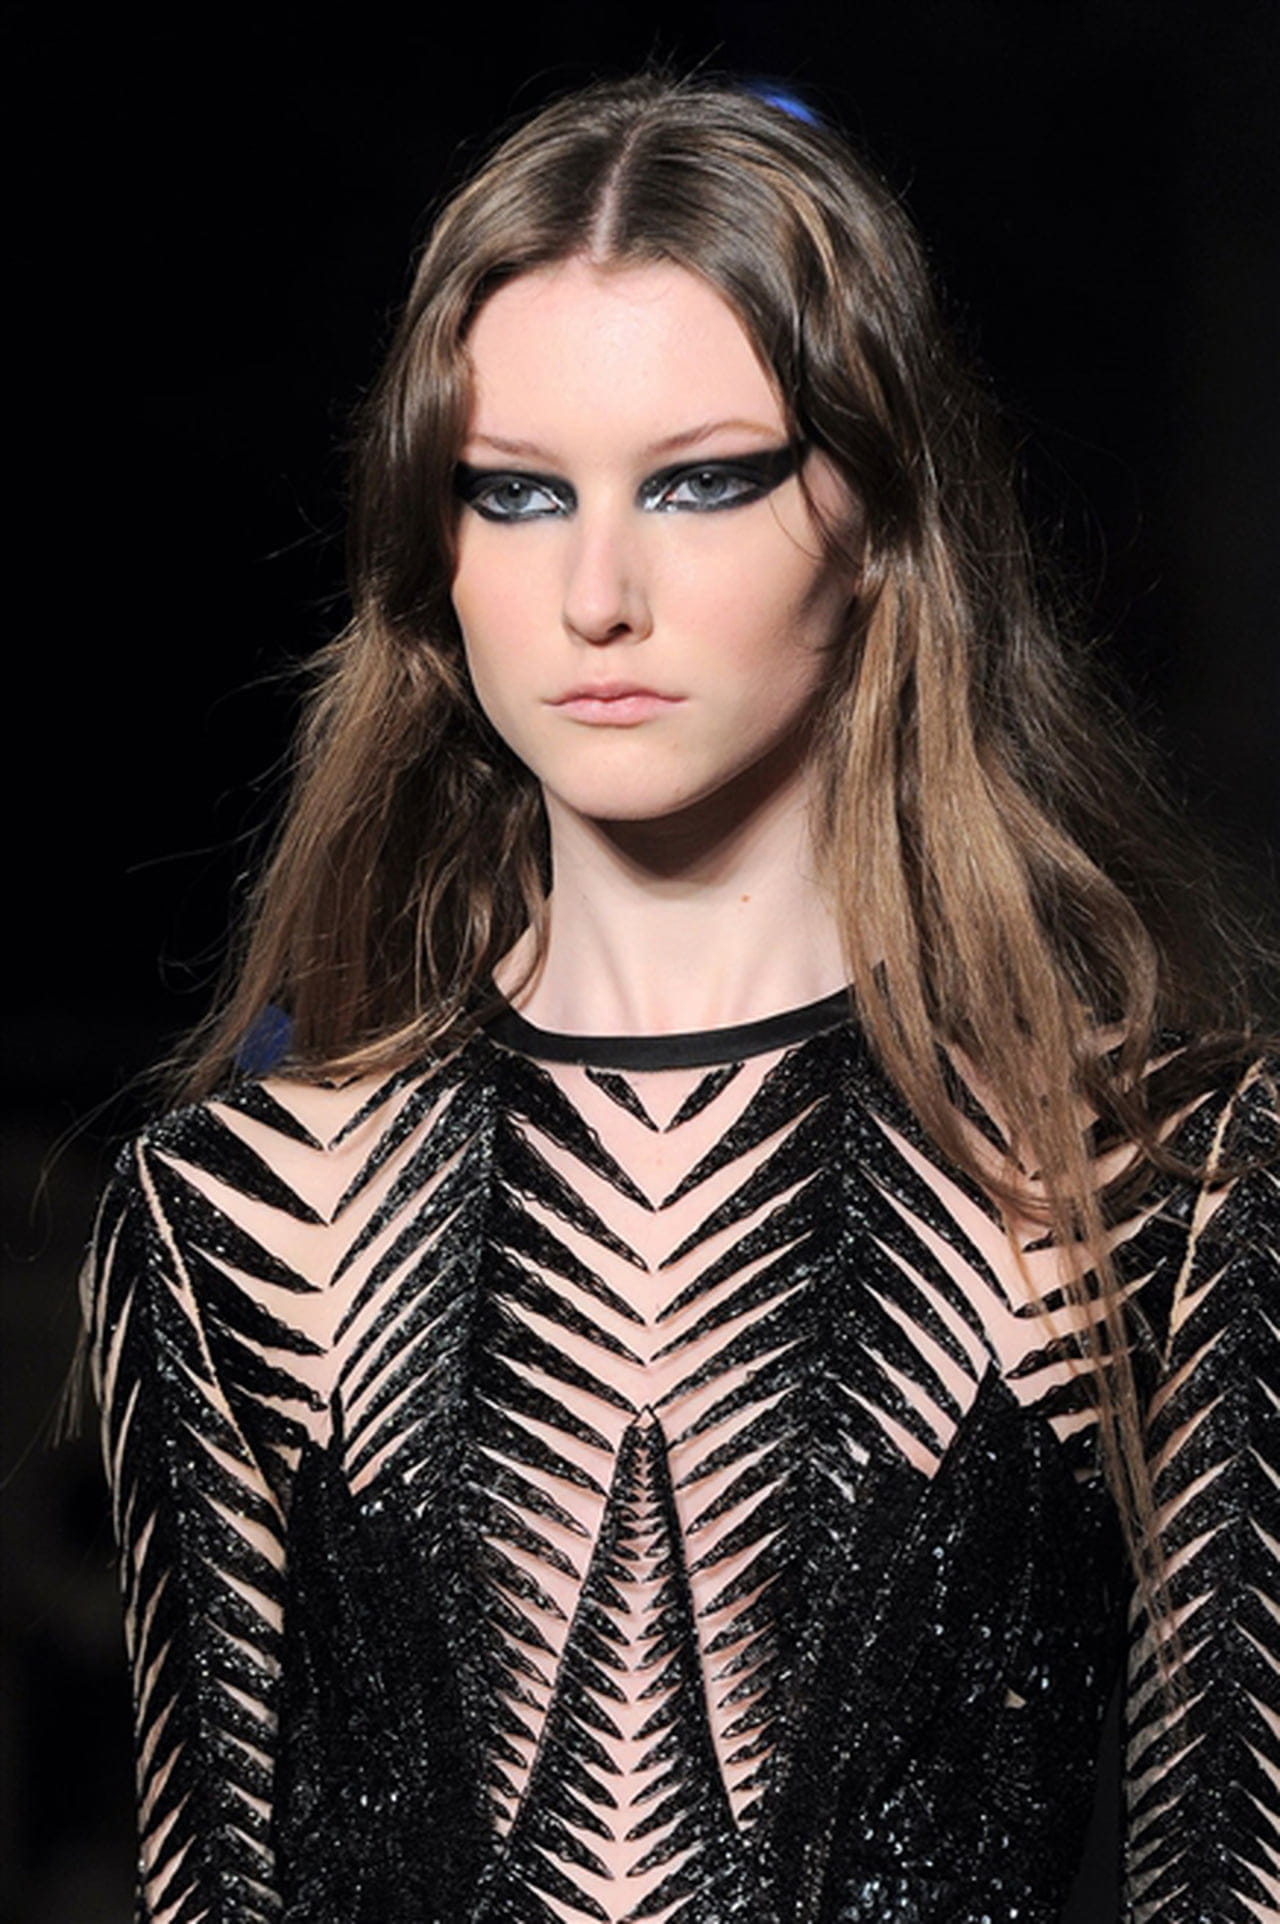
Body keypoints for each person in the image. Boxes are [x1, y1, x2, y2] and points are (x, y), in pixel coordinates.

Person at [81, 72, 1278, 1924]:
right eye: (515, 493)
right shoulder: (231, 1214)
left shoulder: (1157, 1182)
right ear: (434, 552)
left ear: (880, 520)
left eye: (703, 480)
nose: (597, 594)